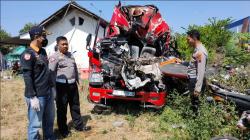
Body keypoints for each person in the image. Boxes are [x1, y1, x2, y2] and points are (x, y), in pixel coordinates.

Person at [49, 36, 90, 138]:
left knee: (75, 106)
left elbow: (75, 70)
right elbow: (50, 73)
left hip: (72, 85)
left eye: (66, 44)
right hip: (61, 86)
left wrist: (79, 83)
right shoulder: (54, 57)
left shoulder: (71, 55)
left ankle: (79, 126)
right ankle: (63, 130)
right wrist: (53, 89)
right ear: (58, 45)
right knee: (62, 109)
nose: (65, 46)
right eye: (63, 44)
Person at [20, 26, 55, 140]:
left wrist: (52, 88)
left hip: (48, 92)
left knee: (49, 120)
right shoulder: (27, 54)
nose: (45, 38)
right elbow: (27, 76)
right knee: (35, 125)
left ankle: (49, 137)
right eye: (43, 36)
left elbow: (46, 71)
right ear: (36, 37)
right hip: (37, 96)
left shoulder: (43, 51)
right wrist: (32, 96)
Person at [185, 29, 208, 112]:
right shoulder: (197, 49)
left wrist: (198, 88)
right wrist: (183, 62)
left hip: (195, 80)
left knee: (196, 102)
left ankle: (195, 119)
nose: (187, 42)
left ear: (194, 38)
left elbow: (201, 71)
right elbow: (194, 63)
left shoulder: (200, 52)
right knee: (193, 101)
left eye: (188, 39)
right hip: (193, 79)